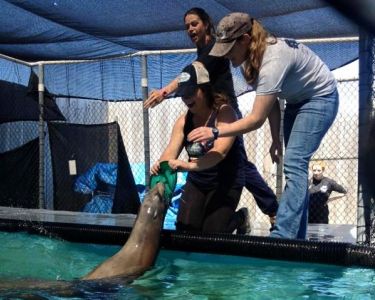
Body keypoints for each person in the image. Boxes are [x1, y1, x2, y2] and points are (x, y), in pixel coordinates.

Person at [187, 12, 339, 239]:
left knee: (295, 162)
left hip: (320, 98)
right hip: (295, 101)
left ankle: (283, 235)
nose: (226, 56)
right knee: (294, 165)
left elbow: (255, 119)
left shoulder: (273, 59)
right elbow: (271, 101)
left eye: (229, 50)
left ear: (245, 40)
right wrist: (275, 138)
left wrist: (215, 131)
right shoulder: (249, 58)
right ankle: (296, 237)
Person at [144, 7, 278, 228]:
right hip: (203, 109)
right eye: (187, 26)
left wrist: (164, 92)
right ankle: (266, 207)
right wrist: (163, 164)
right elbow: (189, 81)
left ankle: (266, 209)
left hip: (222, 110)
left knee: (238, 163)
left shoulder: (215, 49)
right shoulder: (200, 60)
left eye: (194, 23)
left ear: (206, 23)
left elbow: (190, 74)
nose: (190, 29)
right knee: (236, 163)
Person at [150, 61, 248, 234]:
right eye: (182, 93)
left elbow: (219, 153)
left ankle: (239, 218)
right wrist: (161, 164)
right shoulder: (183, 121)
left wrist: (189, 166)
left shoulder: (225, 113)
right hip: (199, 180)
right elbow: (170, 152)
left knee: (212, 235)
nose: (186, 98)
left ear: (205, 89)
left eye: (191, 92)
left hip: (226, 181)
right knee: (185, 231)